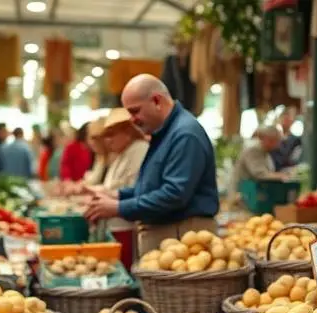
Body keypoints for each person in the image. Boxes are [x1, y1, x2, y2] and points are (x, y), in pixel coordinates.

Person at [84, 75, 219, 254]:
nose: (133, 120)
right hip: (172, 236)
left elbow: (174, 195)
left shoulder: (185, 135)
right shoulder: (165, 134)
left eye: (135, 111)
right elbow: (153, 187)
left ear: (156, 101)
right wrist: (117, 195)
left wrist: (118, 207)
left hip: (183, 238)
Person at [84, 108, 149, 268]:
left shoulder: (139, 149)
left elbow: (136, 190)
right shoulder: (123, 153)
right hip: (116, 225)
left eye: (112, 134)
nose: (108, 141)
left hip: (126, 225)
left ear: (127, 132)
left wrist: (107, 196)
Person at [231, 126, 284, 198]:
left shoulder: (266, 153)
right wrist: (282, 176)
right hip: (242, 196)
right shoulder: (254, 150)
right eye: (275, 141)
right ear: (265, 138)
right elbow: (260, 174)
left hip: (252, 194)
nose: (277, 145)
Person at [271, 106, 302, 170]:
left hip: (286, 170)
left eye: (289, 118)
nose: (286, 120)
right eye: (285, 117)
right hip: (271, 168)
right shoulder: (271, 136)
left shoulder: (296, 140)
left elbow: (293, 160)